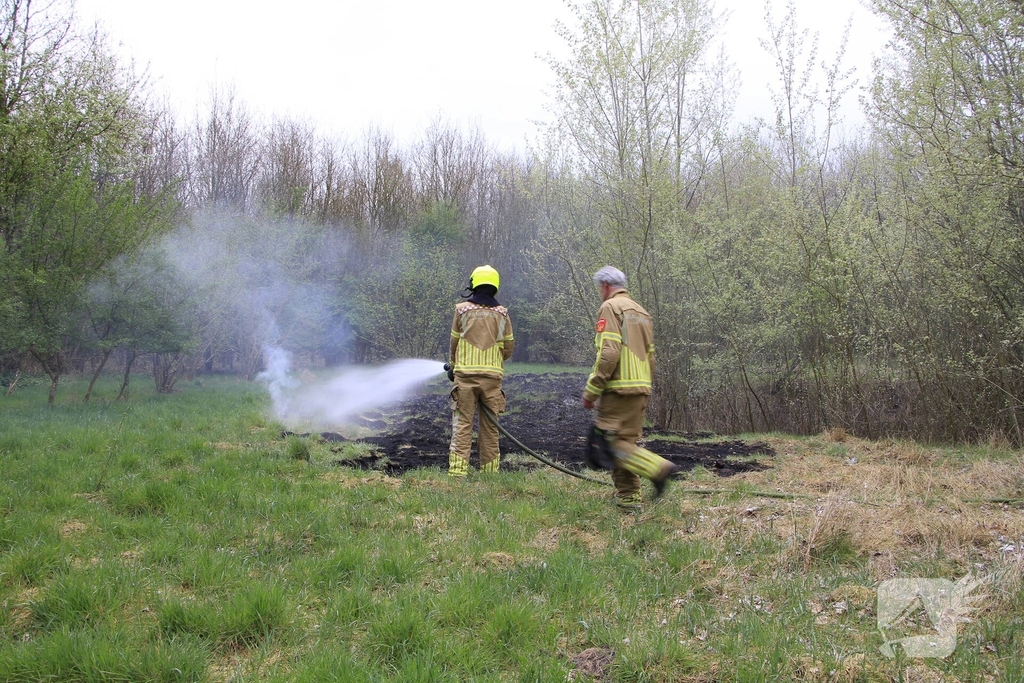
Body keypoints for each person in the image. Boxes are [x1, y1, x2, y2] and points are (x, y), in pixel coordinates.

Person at [582, 266, 677, 510]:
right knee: (626, 445)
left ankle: (658, 468)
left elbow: (609, 352)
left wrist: (593, 389)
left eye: (599, 288)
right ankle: (629, 499)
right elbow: (651, 357)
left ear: (605, 285)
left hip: (617, 389)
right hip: (641, 387)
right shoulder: (643, 313)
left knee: (612, 445)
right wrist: (645, 385)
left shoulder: (610, 308)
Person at [447, 265, 514, 477]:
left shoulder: (461, 310)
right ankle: (490, 475)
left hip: (465, 377)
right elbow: (509, 347)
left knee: (463, 424)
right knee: (490, 428)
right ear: (495, 286)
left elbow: (454, 341)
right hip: (492, 380)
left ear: (473, 283)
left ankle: (458, 474)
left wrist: (453, 364)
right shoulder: (502, 314)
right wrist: (495, 359)